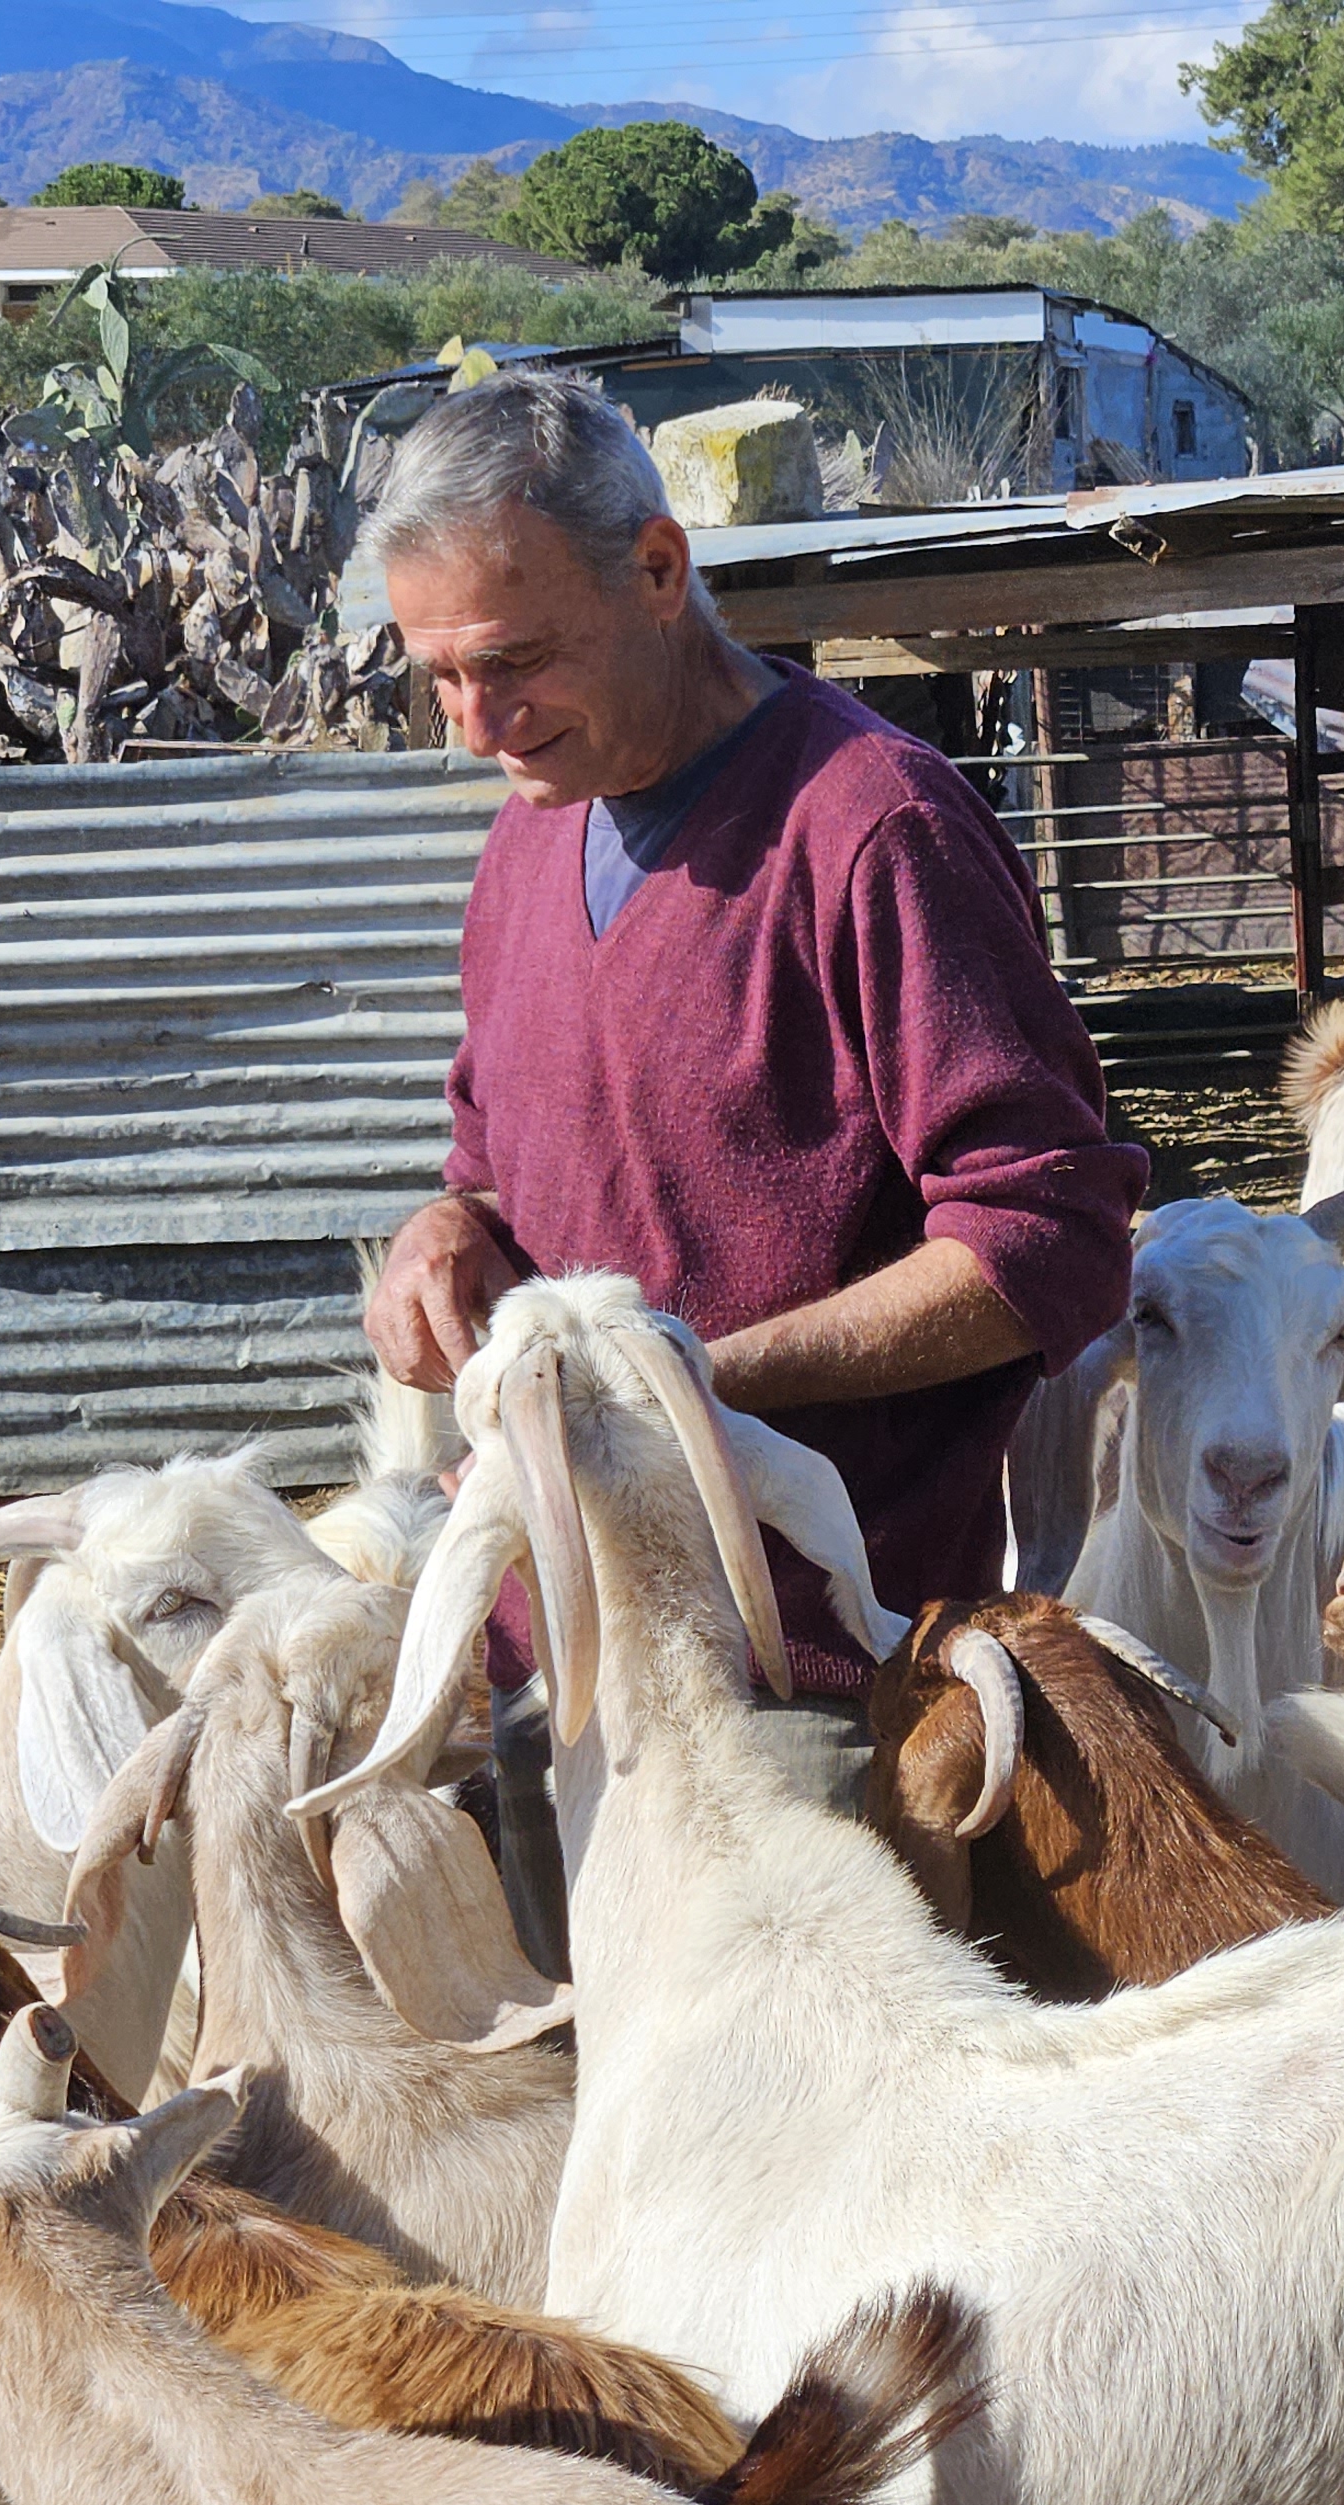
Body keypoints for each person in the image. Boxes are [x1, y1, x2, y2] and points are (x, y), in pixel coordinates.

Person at [358, 370, 1143, 1955]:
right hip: (563, 1666)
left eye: (510, 665)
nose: (474, 725)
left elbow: (1041, 1239)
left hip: (808, 1695)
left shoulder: (868, 827)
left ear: (659, 572)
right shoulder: (526, 845)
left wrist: (700, 1388)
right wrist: (450, 1227)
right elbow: (505, 1170)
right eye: (435, 678)